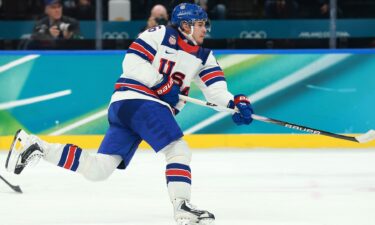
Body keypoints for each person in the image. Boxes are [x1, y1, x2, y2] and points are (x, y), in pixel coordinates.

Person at [6, 3, 254, 225]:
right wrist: (162, 84)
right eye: (200, 24)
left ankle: (35, 145)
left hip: (129, 108)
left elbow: (216, 92)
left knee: (99, 170)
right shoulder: (159, 34)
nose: (205, 30)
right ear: (185, 25)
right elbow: (132, 63)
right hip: (140, 100)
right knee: (177, 149)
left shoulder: (204, 57)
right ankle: (183, 206)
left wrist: (235, 103)